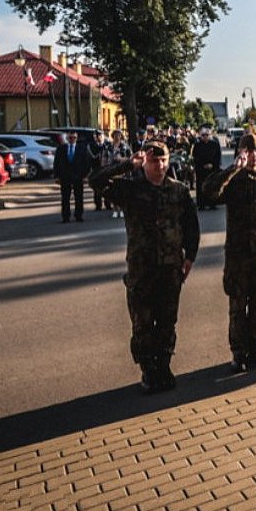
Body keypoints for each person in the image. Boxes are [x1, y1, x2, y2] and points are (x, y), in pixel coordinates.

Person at [89, 141, 199, 393]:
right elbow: (95, 181)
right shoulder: (130, 189)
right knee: (143, 324)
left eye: (163, 160)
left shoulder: (179, 191)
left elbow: (191, 226)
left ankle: (164, 366)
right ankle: (149, 371)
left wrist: (190, 257)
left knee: (167, 322)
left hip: (171, 269)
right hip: (142, 270)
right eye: (153, 161)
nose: (159, 165)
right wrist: (128, 164)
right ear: (145, 162)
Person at [202, 134, 256, 372]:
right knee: (238, 307)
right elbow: (208, 192)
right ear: (240, 152)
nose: (253, 156)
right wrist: (232, 169)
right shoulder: (233, 179)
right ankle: (238, 352)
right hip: (238, 255)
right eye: (248, 151)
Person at [53, 131, 91, 223]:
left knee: (79, 197)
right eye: (70, 138)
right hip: (65, 176)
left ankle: (79, 215)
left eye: (74, 138)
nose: (72, 139)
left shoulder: (82, 148)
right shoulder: (61, 149)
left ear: (76, 138)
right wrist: (56, 176)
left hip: (78, 176)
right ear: (67, 138)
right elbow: (56, 163)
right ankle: (66, 216)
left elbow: (86, 163)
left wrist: (86, 176)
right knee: (65, 198)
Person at [191, 127, 222, 210]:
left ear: (210, 135)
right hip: (201, 169)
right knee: (201, 186)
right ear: (200, 136)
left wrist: (213, 165)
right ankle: (201, 204)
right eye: (203, 135)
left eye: (207, 135)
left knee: (212, 186)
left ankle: (212, 204)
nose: (205, 137)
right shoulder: (197, 145)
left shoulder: (215, 144)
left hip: (212, 169)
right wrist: (202, 165)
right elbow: (195, 157)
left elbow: (218, 156)